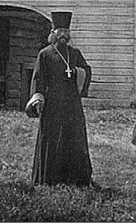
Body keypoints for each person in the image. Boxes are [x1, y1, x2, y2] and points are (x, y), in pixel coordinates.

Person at [26, 11, 93, 186]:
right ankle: (50, 178)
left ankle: (75, 179)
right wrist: (38, 97)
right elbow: (38, 78)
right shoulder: (45, 54)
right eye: (60, 31)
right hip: (52, 104)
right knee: (52, 138)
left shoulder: (75, 53)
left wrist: (79, 73)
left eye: (66, 31)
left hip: (72, 104)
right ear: (53, 33)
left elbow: (86, 70)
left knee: (73, 137)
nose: (63, 34)